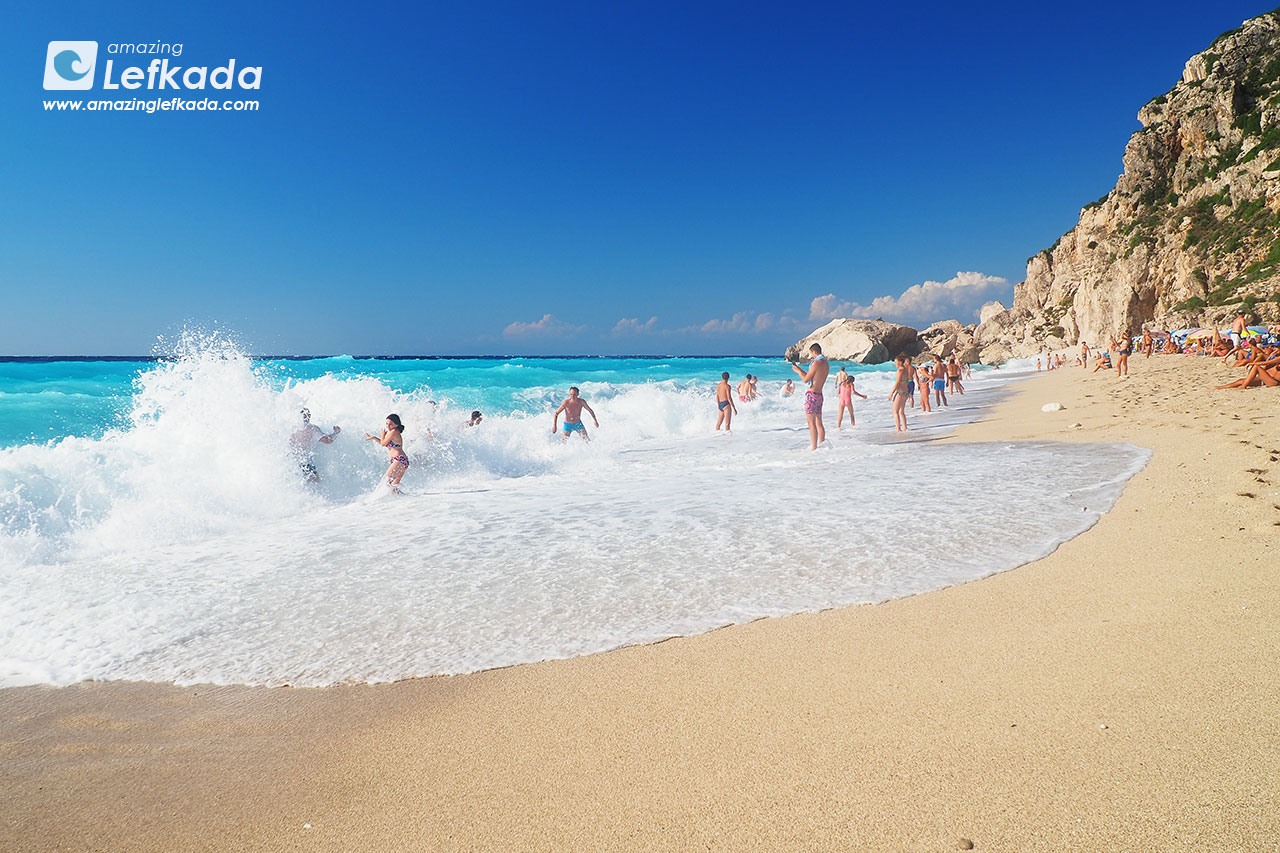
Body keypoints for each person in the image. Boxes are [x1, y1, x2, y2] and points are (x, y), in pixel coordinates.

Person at [790, 343, 830, 450]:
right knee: (819, 422)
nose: (811, 356)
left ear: (814, 352)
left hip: (811, 395)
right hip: (819, 394)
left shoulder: (816, 363)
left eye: (811, 354)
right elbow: (810, 376)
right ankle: (822, 445)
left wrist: (797, 371)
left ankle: (814, 448)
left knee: (811, 423)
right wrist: (799, 369)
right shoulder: (826, 364)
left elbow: (805, 380)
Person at [290, 408, 340, 483]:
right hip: (304, 461)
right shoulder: (312, 428)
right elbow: (327, 440)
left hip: (290, 461)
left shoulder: (290, 428)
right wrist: (336, 433)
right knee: (315, 482)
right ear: (309, 416)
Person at [364, 413, 409, 492]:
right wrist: (374, 438)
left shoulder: (394, 431)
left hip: (399, 459)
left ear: (396, 425)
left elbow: (383, 443)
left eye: (390, 424)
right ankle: (401, 500)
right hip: (401, 460)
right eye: (387, 424)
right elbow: (386, 445)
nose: (388, 426)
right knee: (393, 485)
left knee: (386, 480)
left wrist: (383, 435)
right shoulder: (393, 432)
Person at [888, 355, 910, 433]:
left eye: (896, 362)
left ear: (900, 362)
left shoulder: (900, 371)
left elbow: (897, 383)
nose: (895, 364)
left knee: (895, 411)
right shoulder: (905, 370)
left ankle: (898, 429)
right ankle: (905, 428)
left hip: (900, 392)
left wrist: (891, 393)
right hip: (906, 392)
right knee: (901, 411)